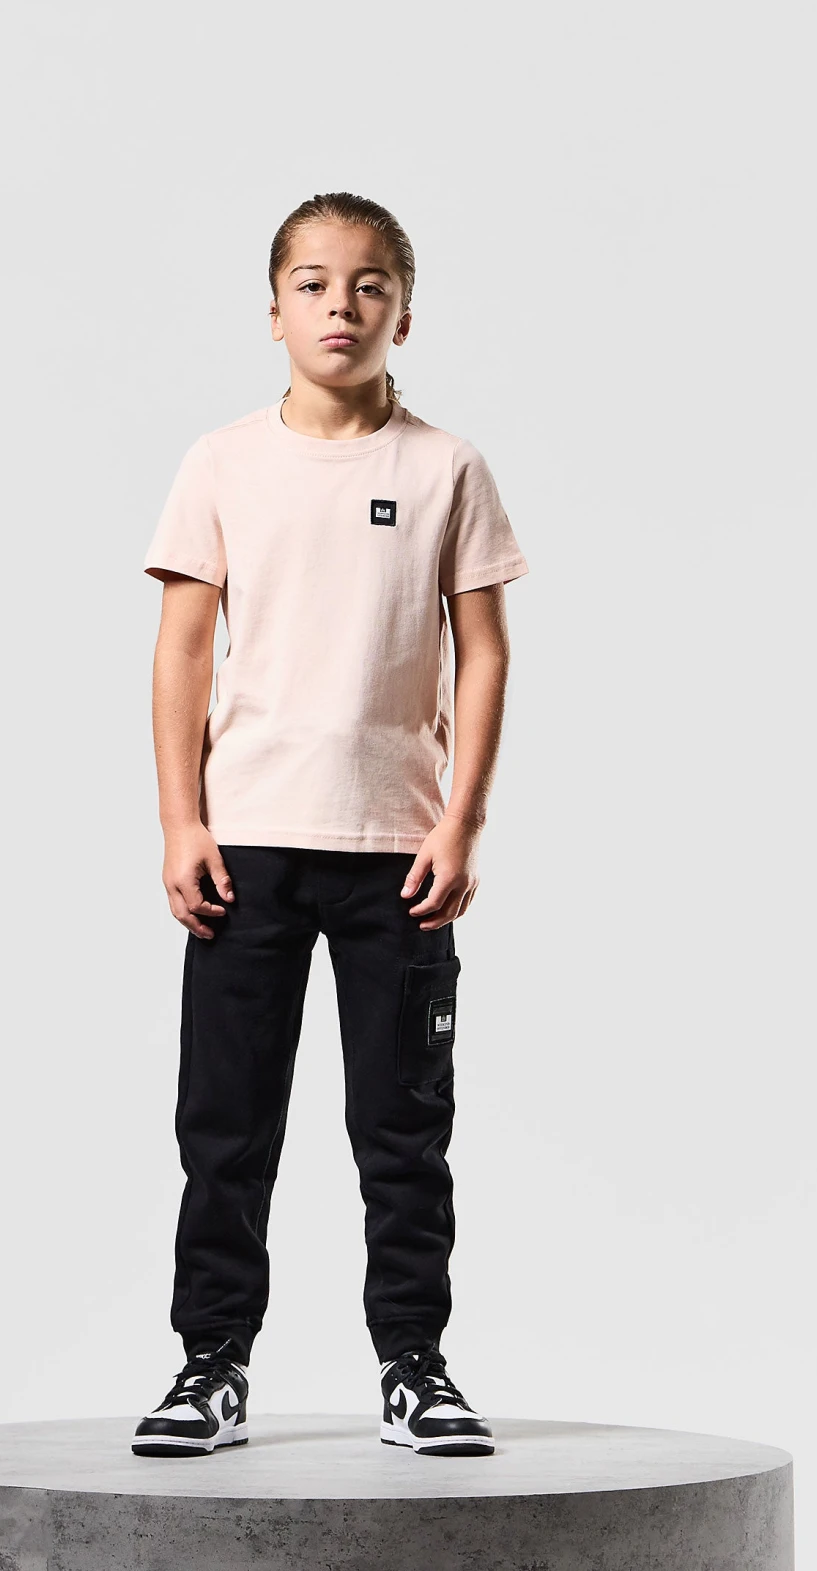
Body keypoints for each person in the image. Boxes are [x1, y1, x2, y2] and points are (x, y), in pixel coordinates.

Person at [131, 192, 528, 1460]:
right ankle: (211, 1364)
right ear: (273, 312)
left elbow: (484, 653)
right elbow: (182, 649)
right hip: (247, 844)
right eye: (312, 284)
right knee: (226, 1126)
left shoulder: (445, 468)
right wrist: (181, 820)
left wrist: (461, 823)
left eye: (367, 286)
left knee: (404, 1131)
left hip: (397, 853)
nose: (339, 306)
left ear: (404, 312)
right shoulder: (222, 463)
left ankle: (415, 1366)